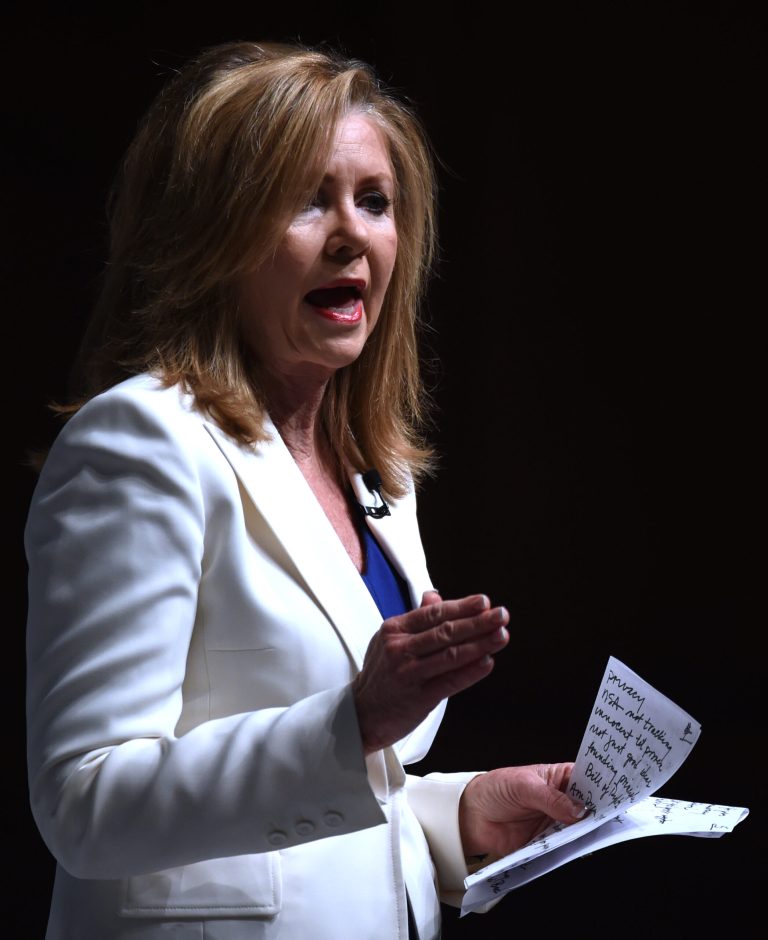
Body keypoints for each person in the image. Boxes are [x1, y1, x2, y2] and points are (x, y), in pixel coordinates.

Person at [25, 40, 583, 940]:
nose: (351, 235)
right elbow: (86, 804)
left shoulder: (374, 464)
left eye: (374, 202)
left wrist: (458, 815)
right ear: (213, 235)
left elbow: (351, 780)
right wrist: (356, 717)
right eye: (304, 200)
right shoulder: (141, 443)